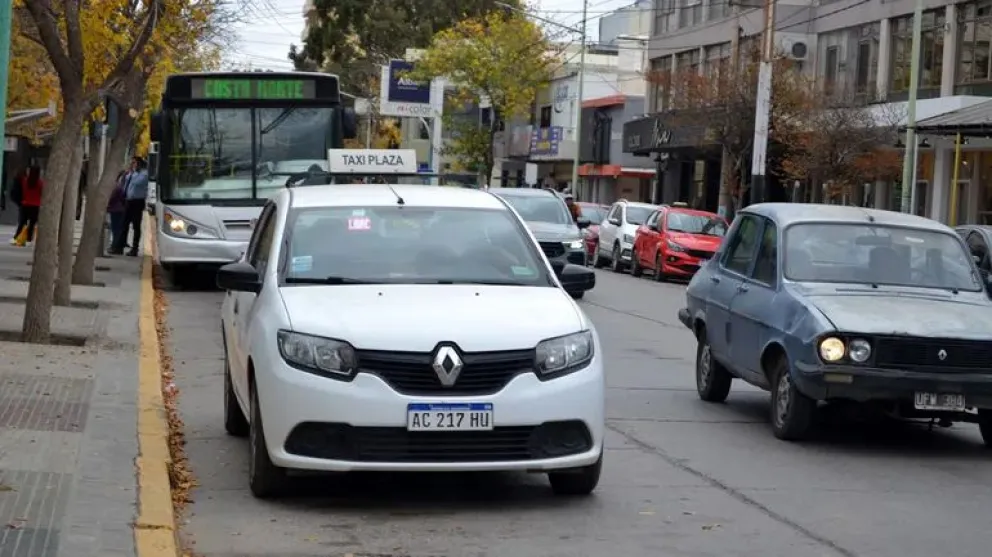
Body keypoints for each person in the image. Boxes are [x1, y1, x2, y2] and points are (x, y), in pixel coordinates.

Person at [111, 157, 149, 256]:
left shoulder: (144, 174)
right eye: (132, 163)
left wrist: (131, 173)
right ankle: (119, 247)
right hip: (128, 201)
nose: (132, 165)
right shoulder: (132, 174)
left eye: (134, 163)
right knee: (124, 225)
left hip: (137, 202)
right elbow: (125, 181)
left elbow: (137, 182)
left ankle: (135, 248)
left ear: (139, 164)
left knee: (136, 226)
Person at [11, 165, 43, 246]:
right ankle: (29, 239)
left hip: (25, 204)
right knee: (32, 224)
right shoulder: (40, 183)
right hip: (36, 206)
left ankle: (16, 237)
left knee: (22, 222)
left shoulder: (25, 181)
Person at [106, 170, 127, 250]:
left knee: (115, 229)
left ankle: (115, 246)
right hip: (118, 209)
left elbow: (112, 198)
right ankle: (115, 246)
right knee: (116, 229)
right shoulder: (118, 187)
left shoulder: (116, 187)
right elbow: (122, 198)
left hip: (116, 210)